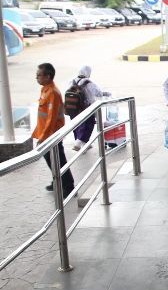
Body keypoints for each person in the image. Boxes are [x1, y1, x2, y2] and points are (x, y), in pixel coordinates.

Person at [33, 62, 75, 198]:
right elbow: (43, 114)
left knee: (57, 159)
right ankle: (57, 180)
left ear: (48, 76)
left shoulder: (53, 93)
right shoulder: (45, 90)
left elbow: (51, 118)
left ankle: (68, 186)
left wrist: (44, 137)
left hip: (51, 134)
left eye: (39, 75)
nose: (37, 77)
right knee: (52, 159)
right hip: (45, 133)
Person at [69, 65, 111, 151]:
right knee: (89, 124)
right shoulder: (89, 83)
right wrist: (106, 93)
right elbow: (98, 93)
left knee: (77, 125)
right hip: (85, 108)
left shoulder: (72, 81)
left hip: (73, 108)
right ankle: (78, 142)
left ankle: (85, 144)